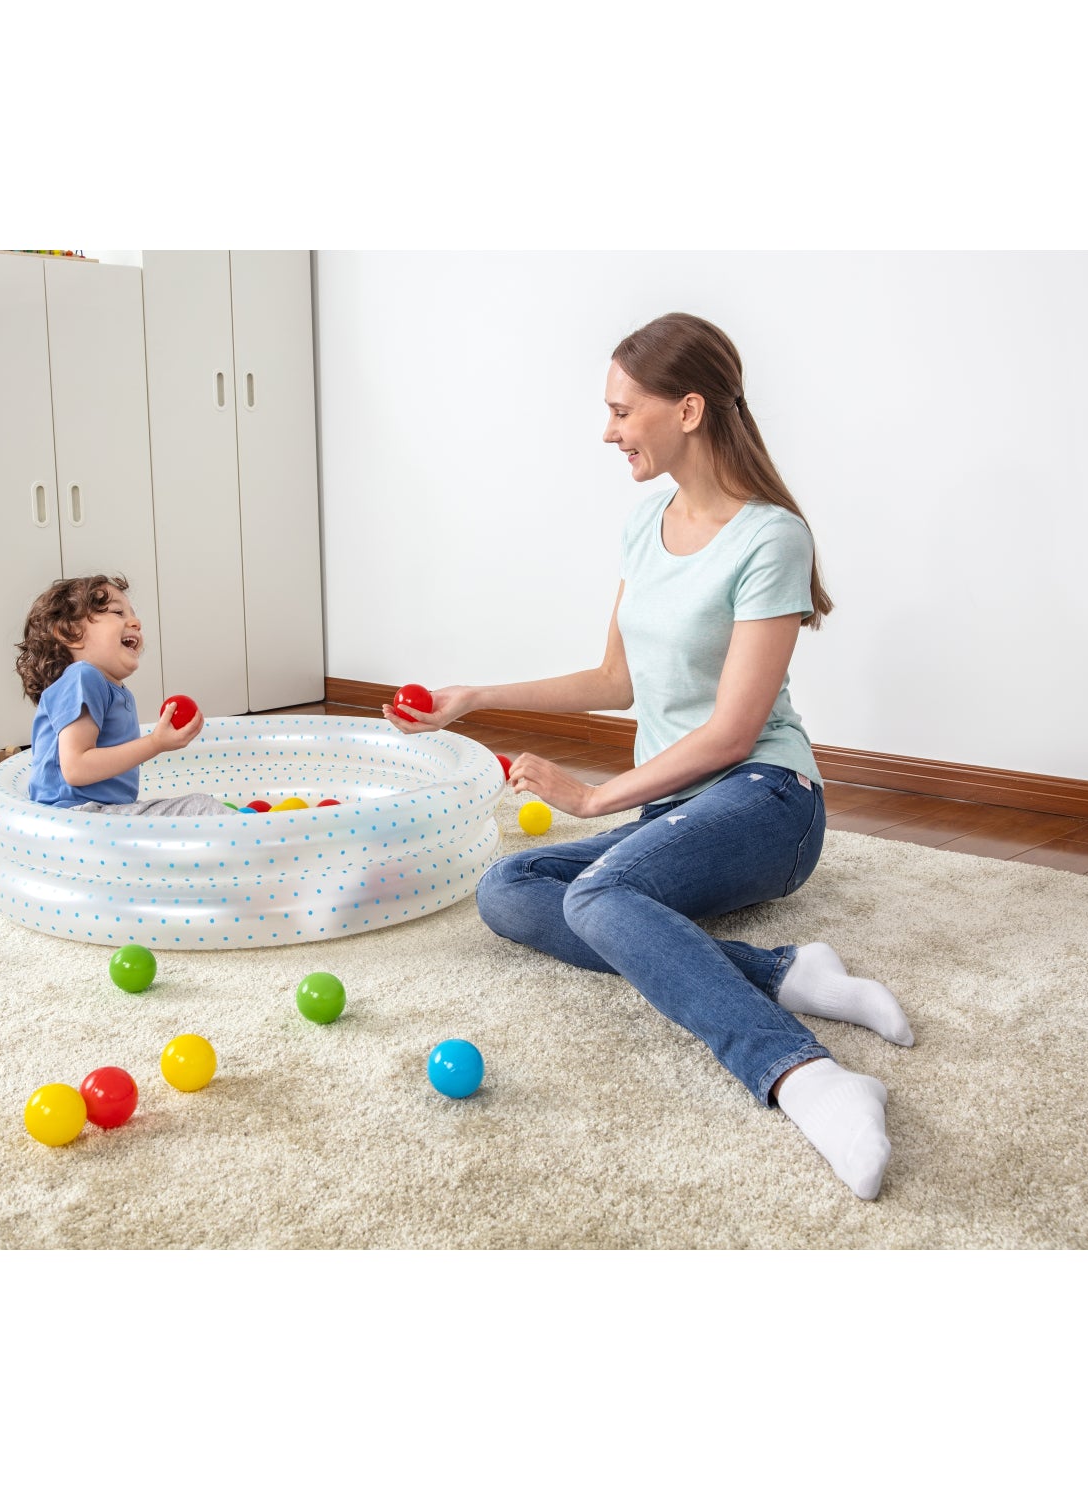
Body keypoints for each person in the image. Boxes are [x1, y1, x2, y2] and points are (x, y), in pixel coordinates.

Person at [384, 313, 913, 1200]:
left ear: (690, 409)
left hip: (767, 801)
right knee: (507, 891)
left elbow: (735, 733)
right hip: (676, 810)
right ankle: (786, 973)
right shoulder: (644, 525)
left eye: (623, 410)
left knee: (598, 891)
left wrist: (595, 800)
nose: (608, 430)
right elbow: (614, 677)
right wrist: (474, 698)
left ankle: (809, 1078)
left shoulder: (771, 537)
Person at [15, 574, 227, 817]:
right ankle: (260, 842)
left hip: (98, 814)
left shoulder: (112, 690)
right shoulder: (83, 677)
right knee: (201, 809)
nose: (136, 622)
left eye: (133, 614)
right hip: (76, 817)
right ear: (71, 633)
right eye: (118, 613)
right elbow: (76, 768)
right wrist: (155, 744)